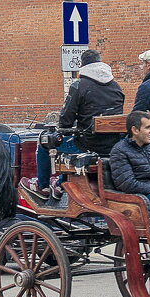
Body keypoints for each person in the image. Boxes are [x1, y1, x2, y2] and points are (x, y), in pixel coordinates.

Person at [28, 49, 124, 198]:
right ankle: (61, 184)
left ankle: (43, 187)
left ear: (83, 65)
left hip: (87, 146)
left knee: (44, 141)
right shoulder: (116, 87)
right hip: (112, 146)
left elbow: (65, 121)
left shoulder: (79, 86)